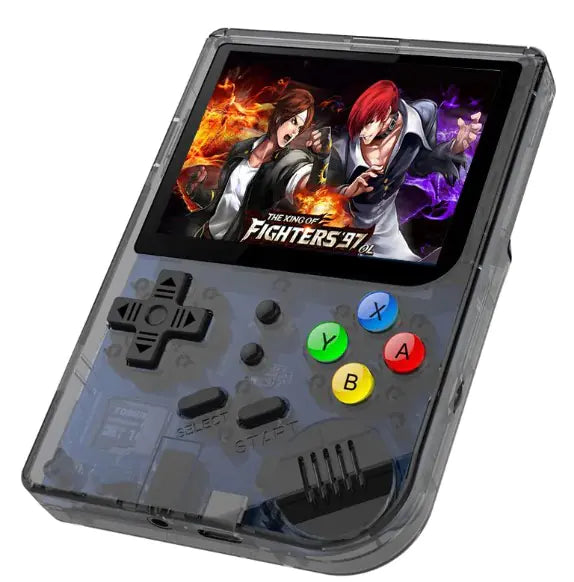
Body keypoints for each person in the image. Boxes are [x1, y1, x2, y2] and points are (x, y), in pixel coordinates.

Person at [327, 80, 482, 260]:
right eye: (360, 126)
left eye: (368, 123)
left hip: (384, 221)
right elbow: (318, 192)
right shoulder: (340, 147)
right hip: (344, 222)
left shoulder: (421, 116)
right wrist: (347, 191)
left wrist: (454, 147)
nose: (362, 132)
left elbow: (421, 162)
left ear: (386, 112)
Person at [186, 88, 330, 241]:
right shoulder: (241, 148)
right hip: (204, 235)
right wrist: (197, 192)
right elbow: (225, 198)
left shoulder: (290, 161)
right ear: (280, 115)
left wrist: (322, 158)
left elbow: (311, 190)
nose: (295, 131)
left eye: (300, 128)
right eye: (294, 122)